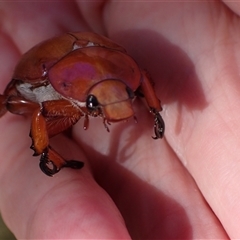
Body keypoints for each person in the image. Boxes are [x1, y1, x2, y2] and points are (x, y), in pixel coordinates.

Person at [0, 1, 238, 238]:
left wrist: (154, 109)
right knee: (16, 105)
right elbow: (41, 112)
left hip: (98, 54)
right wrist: (44, 148)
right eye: (95, 104)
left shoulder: (122, 65)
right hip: (38, 79)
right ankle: (45, 151)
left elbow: (141, 77)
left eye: (127, 94)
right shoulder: (54, 81)